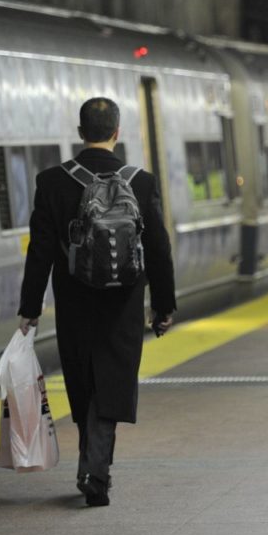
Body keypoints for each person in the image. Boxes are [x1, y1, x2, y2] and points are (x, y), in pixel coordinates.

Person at [17, 97, 176, 507]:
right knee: (112, 383)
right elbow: (158, 247)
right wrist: (163, 305)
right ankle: (96, 472)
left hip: (74, 299)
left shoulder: (52, 181)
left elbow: (41, 250)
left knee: (84, 381)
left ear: (80, 133)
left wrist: (30, 308)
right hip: (123, 300)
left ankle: (93, 467)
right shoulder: (141, 181)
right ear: (116, 132)